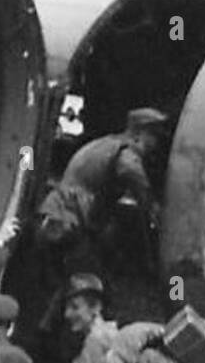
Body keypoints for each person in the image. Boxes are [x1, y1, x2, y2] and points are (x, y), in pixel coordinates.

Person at [36, 107, 168, 288]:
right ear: (140, 133)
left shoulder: (107, 144)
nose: (155, 143)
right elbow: (137, 183)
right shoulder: (127, 155)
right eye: (153, 136)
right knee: (84, 283)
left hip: (58, 214)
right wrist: (156, 212)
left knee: (70, 284)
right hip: (69, 220)